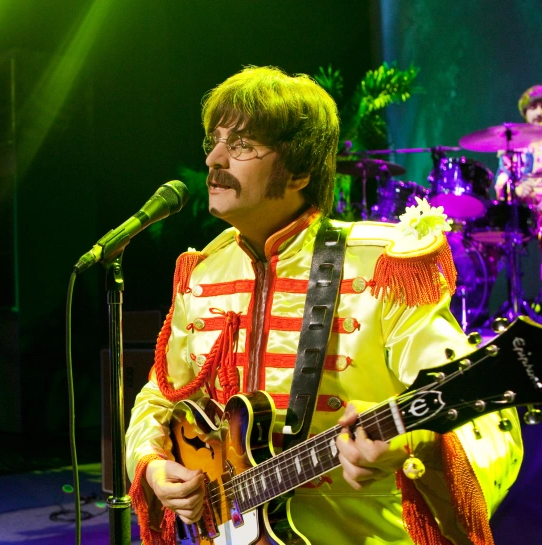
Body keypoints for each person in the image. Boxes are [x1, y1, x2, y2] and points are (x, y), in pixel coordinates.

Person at [125, 66, 522, 545]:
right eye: (214, 141)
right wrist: (154, 465)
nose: (213, 159)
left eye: (242, 145)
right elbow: (160, 398)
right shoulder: (203, 272)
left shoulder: (384, 265)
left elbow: (486, 422)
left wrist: (415, 442)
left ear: (299, 172)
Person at [494, 85, 542, 227]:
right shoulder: (514, 147)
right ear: (525, 113)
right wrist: (517, 191)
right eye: (533, 107)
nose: (539, 112)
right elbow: (501, 184)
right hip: (527, 217)